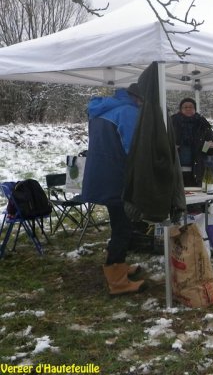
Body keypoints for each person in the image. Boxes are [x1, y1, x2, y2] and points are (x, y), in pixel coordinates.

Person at [82, 84, 145, 296]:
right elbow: (133, 148)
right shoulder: (128, 111)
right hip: (117, 176)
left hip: (102, 174)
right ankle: (117, 281)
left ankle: (118, 266)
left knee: (118, 224)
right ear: (138, 97)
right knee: (123, 227)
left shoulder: (102, 108)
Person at [171, 97, 213, 187]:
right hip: (174, 171)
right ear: (180, 109)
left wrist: (212, 146)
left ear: (195, 109)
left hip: (198, 171)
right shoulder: (171, 123)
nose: (188, 109)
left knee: (197, 195)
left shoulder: (202, 124)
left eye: (191, 107)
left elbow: (212, 149)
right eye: (185, 107)